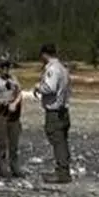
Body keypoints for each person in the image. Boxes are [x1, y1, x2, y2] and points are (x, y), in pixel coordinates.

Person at [33, 43, 72, 184]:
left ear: (44, 54)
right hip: (63, 110)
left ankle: (62, 172)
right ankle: (63, 169)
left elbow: (50, 87)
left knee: (57, 141)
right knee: (62, 141)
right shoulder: (63, 68)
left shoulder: (52, 69)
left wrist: (38, 87)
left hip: (54, 111)